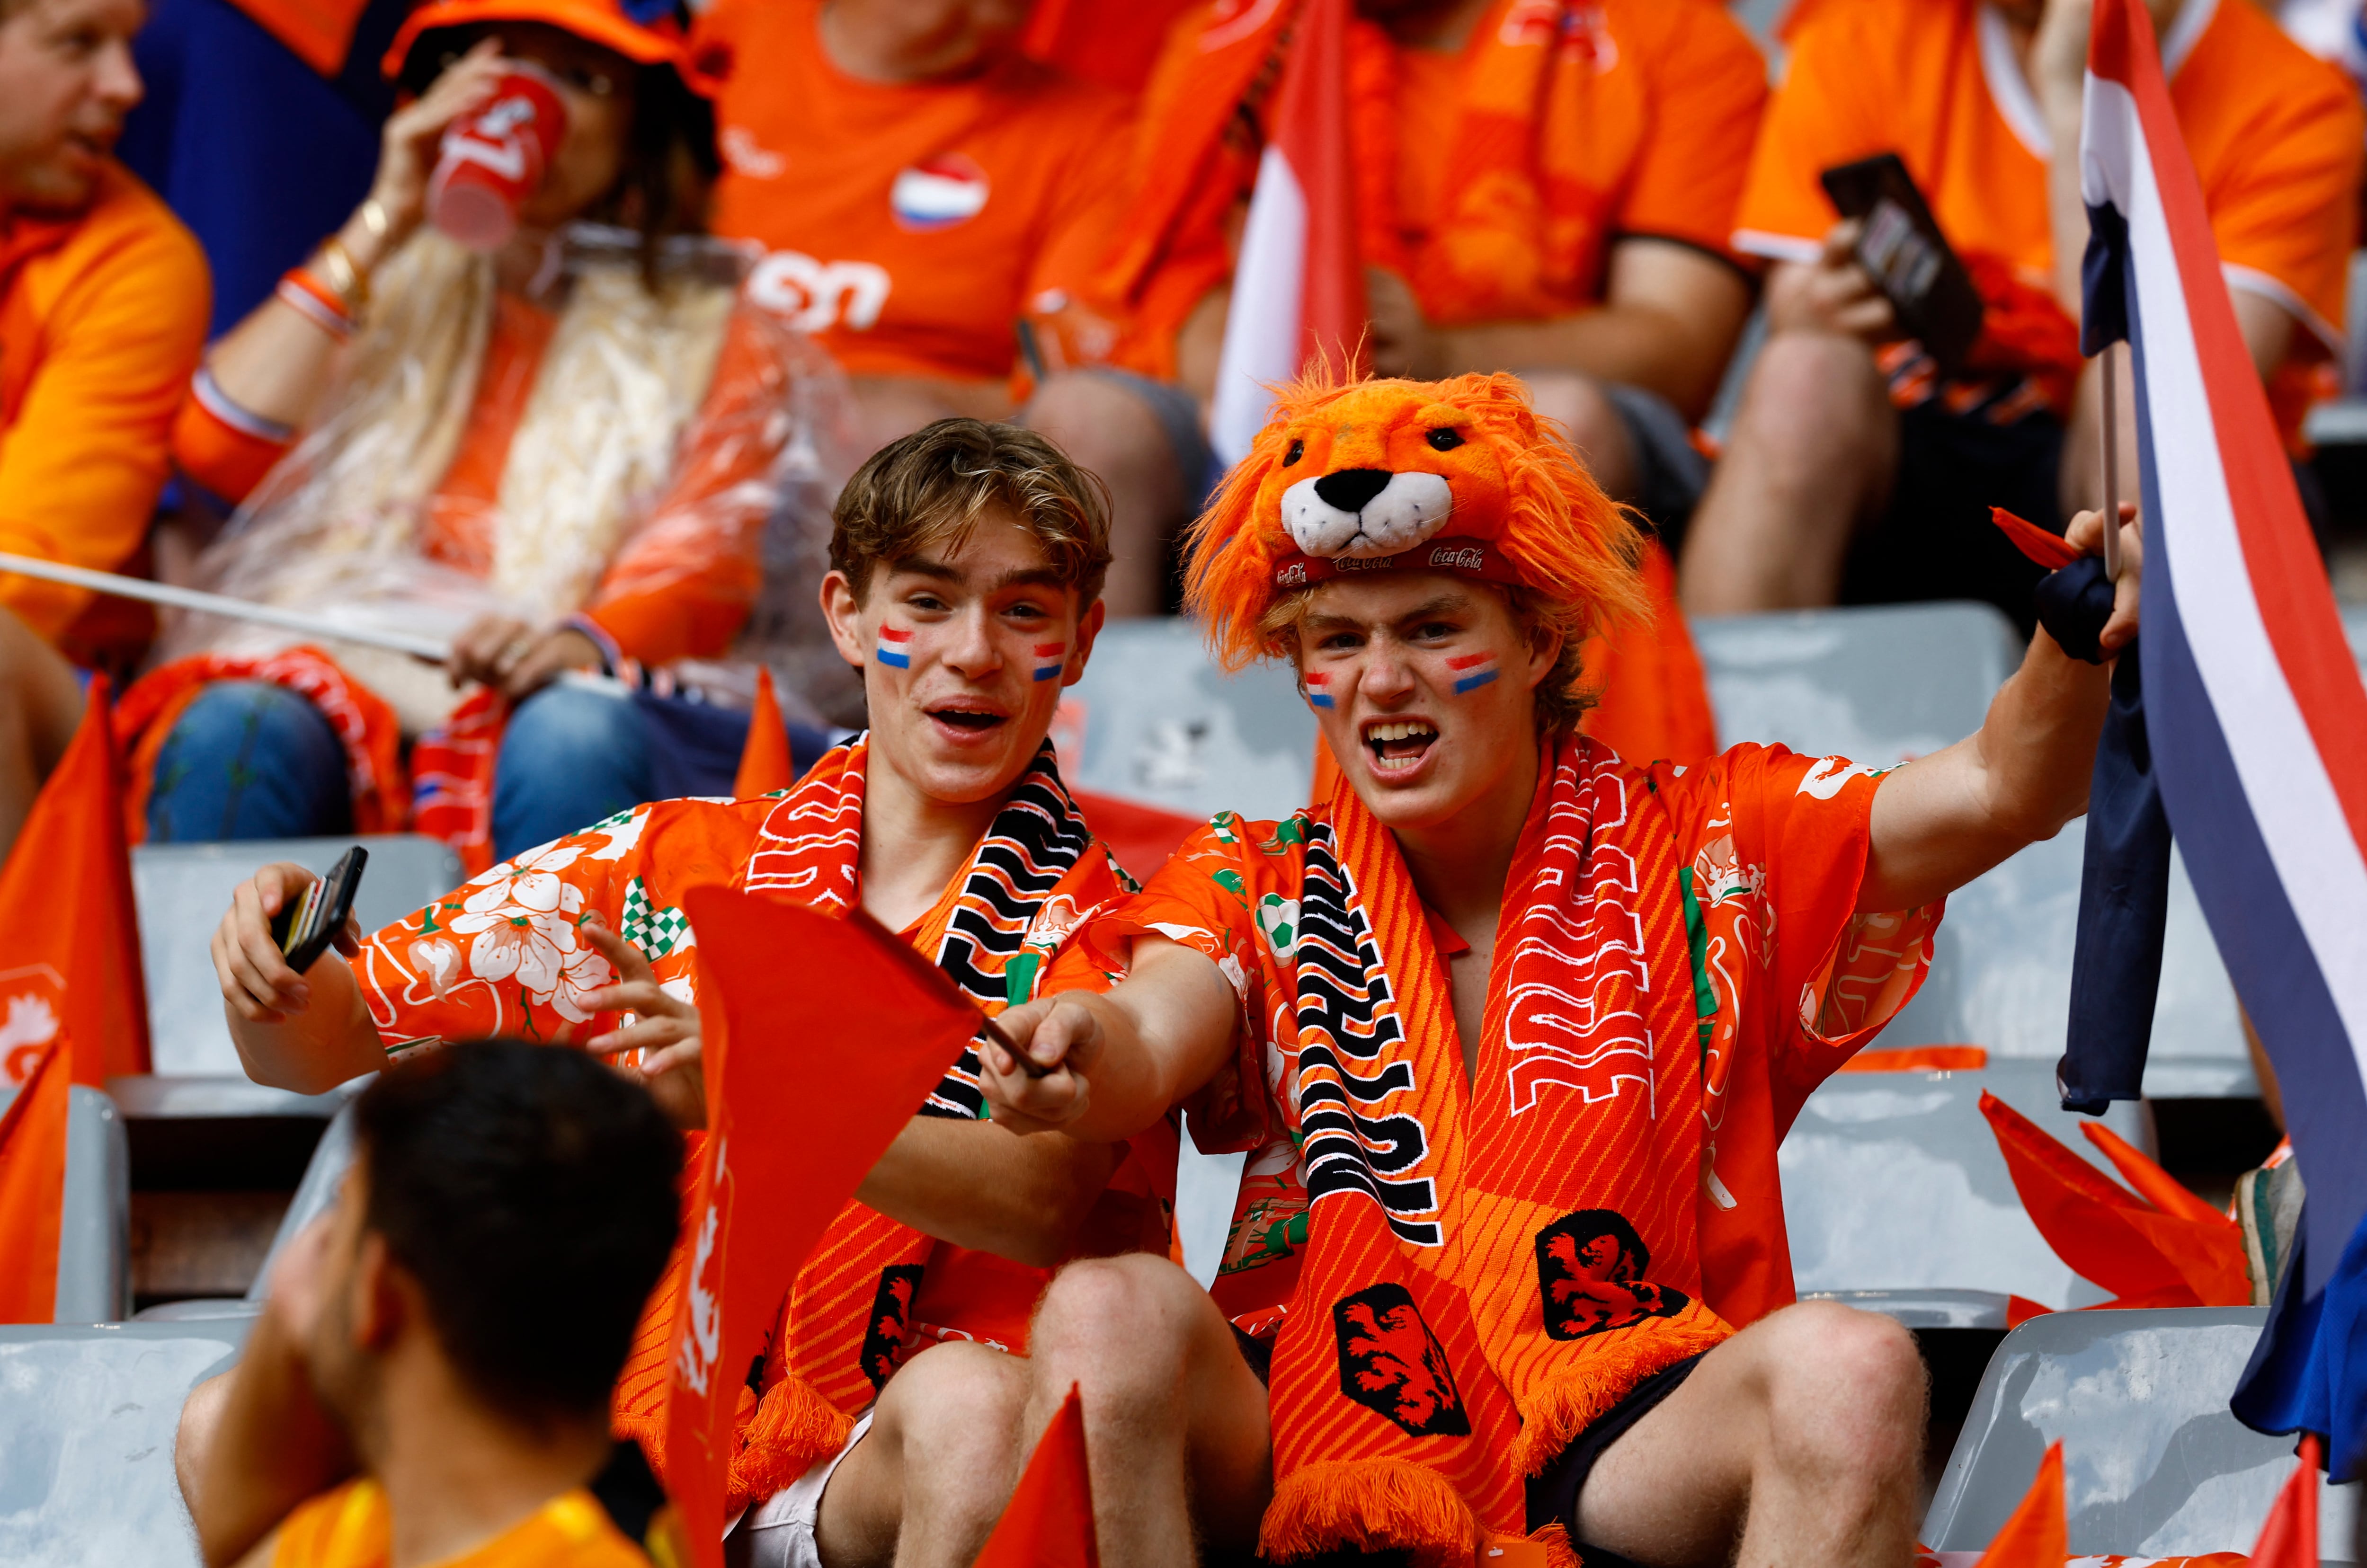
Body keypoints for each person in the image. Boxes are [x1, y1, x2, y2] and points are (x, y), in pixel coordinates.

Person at [973, 370, 2145, 1565]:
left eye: (1433, 629)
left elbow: (2002, 787)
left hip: (1622, 1397)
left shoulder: (1710, 838)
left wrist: (2074, 630)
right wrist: (1081, 1045)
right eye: (1338, 641)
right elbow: (1151, 1028)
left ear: (1537, 640)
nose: (1382, 680)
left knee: (1848, 1368)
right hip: (1303, 1402)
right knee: (1103, 1310)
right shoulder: (1253, 874)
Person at [196, 420, 1169, 1568]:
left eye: (1022, 610)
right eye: (927, 601)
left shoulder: (1109, 921)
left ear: (1083, 636)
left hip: (882, 1451)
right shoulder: (666, 864)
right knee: (223, 1422)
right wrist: (273, 965)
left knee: (972, 1407)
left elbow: (1035, 1200)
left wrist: (753, 1096)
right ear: (847, 616)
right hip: (634, 1417)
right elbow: (322, 1044)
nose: (973, 652)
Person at [126, 0, 836, 868]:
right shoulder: (386, 279)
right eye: (498, 66)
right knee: (233, 727)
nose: (530, 102)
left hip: (566, 676)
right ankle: (218, 1002)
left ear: (643, 125)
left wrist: (572, 641)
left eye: (580, 79)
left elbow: (706, 570)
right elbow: (217, 446)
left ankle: (544, 1004)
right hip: (355, 657)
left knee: (567, 734)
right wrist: (386, 211)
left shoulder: (721, 333)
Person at [1082, 0, 1766, 623]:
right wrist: (1261, 376)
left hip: (1536, 401)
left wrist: (1437, 359)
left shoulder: (1674, 38)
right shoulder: (1229, 42)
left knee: (1559, 420)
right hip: (1266, 411)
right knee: (1090, 423)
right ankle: (1113, 732)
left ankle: (1544, 744)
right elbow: (1164, 296)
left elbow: (1681, 348)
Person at [1681, 0, 2362, 620]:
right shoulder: (1861, 32)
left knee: (2137, 378)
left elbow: (2193, 388)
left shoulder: (2295, 100)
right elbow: (1796, 315)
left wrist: (2078, 102)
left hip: (2148, 507)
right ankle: (1721, 751)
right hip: (1907, 459)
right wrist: (1828, 304)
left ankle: (2161, 747)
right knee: (1803, 370)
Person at [690, 0, 1203, 617]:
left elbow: (1056, 378)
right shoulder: (715, 48)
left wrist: (837, 397)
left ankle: (1072, 709)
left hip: (921, 463)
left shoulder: (1095, 133)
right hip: (686, 423)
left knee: (896, 433)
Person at [181, 1041, 682, 1568]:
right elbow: (241, 1552)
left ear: (378, 1290)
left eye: (339, 1220)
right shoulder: (599, 1521)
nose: (313, 1252)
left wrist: (290, 1314)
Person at [0, 0, 209, 856]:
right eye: (79, 42)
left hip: (52, 699)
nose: (127, 85)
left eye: (127, 44)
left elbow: (24, 575)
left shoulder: (142, 261)